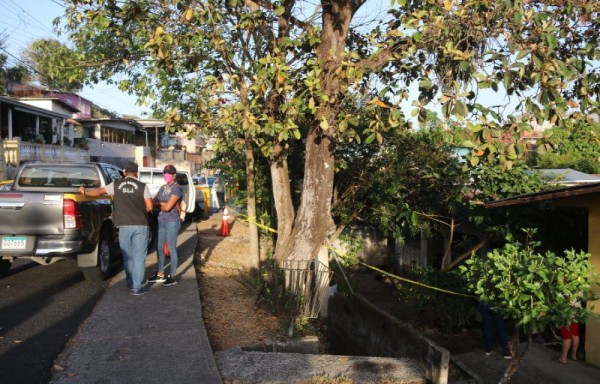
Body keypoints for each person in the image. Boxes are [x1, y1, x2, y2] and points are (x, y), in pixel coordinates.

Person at [80, 162, 153, 296]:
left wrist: (85, 192)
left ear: (125, 173)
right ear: (137, 173)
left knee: (128, 257)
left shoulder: (116, 185)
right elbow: (149, 207)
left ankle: (130, 283)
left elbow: (98, 191)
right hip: (141, 225)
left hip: (124, 226)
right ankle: (137, 287)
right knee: (139, 257)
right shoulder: (143, 186)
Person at [147, 164, 182, 287]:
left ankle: (173, 276)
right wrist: (161, 203)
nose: (166, 175)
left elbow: (167, 207)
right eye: (165, 173)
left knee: (172, 249)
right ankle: (160, 273)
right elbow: (153, 201)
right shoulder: (162, 188)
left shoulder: (176, 188)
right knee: (159, 248)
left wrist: (160, 203)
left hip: (172, 221)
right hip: (161, 220)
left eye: (169, 173)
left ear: (174, 175)